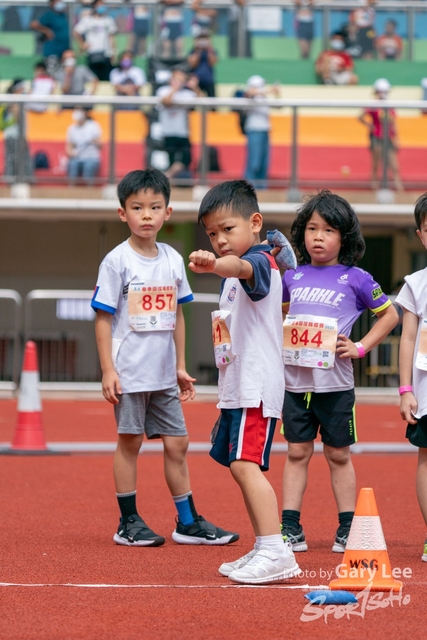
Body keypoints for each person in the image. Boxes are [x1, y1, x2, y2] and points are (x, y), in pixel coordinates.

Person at [91, 168, 239, 547]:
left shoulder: (173, 259)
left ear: (167, 213)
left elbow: (177, 318)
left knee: (177, 444)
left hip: (163, 374)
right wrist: (108, 369)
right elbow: (103, 318)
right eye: (137, 207)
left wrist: (180, 366)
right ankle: (128, 522)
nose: (146, 215)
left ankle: (187, 522)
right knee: (130, 443)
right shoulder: (116, 261)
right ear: (122, 213)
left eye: (154, 207)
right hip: (129, 372)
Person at [188, 180, 301, 584]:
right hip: (238, 386)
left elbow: (241, 266)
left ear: (255, 223)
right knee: (239, 466)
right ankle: (266, 544)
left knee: (245, 464)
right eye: (212, 234)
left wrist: (214, 263)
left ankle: (276, 550)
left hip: (257, 386)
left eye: (226, 229)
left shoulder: (258, 263)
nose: (219, 240)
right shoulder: (238, 272)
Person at [280, 190, 398, 554]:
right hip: (295, 383)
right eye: (312, 228)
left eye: (328, 230)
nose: (318, 236)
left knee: (338, 455)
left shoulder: (356, 277)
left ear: (343, 237)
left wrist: (360, 348)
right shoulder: (292, 276)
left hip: (336, 385)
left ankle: (347, 527)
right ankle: (289, 528)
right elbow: (279, 317)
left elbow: (390, 315)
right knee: (297, 453)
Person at [395, 193, 427, 563]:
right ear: (421, 235)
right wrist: (405, 390)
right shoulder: (416, 284)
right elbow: (406, 337)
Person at [156, 67, 201, 179]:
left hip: (183, 133)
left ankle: (166, 178)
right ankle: (168, 179)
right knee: (171, 161)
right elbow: (166, 101)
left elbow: (203, 102)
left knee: (185, 160)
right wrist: (175, 88)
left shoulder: (187, 93)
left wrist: (195, 87)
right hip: (168, 132)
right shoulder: (163, 90)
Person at [359, 78, 403, 190]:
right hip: (377, 137)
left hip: (388, 138)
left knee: (394, 165)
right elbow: (360, 116)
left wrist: (397, 138)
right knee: (375, 164)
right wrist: (370, 125)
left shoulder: (389, 105)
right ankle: (373, 187)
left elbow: (393, 123)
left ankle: (399, 187)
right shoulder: (373, 105)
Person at [243, 75, 279, 189]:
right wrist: (269, 90)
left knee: (264, 163)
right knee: (254, 163)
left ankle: (262, 189)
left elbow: (279, 106)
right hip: (254, 131)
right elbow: (249, 93)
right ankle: (248, 189)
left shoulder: (263, 97)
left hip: (264, 131)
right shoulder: (250, 95)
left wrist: (276, 93)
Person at [73, 0, 118, 81]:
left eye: (103, 5)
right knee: (93, 78)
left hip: (105, 54)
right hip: (92, 53)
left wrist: (113, 52)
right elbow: (76, 32)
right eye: (99, 5)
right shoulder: (87, 20)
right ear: (94, 7)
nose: (102, 7)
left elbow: (111, 37)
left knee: (105, 78)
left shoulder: (108, 20)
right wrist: (82, 44)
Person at [0, 79, 32, 180]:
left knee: (22, 158)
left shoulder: (18, 101)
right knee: (13, 159)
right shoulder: (13, 101)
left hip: (19, 135)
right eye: (23, 89)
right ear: (18, 89)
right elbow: (18, 119)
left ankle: (25, 180)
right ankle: (12, 181)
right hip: (13, 136)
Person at [30, 0, 70, 74]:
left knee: (64, 75)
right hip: (53, 52)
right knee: (52, 74)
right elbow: (33, 24)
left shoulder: (65, 15)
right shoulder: (49, 15)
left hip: (64, 52)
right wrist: (46, 31)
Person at [65, 107, 102, 183]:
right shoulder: (72, 128)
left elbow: (100, 145)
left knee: (89, 165)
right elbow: (69, 147)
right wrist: (71, 153)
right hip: (77, 158)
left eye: (79, 111)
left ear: (84, 113)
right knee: (72, 164)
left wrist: (93, 140)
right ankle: (71, 191)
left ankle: (89, 191)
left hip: (91, 158)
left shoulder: (93, 126)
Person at [187, 31, 218, 98]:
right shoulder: (193, 51)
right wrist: (198, 50)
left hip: (209, 80)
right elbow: (192, 63)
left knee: (212, 103)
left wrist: (209, 48)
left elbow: (212, 63)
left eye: (205, 39)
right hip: (195, 80)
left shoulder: (212, 51)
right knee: (192, 102)